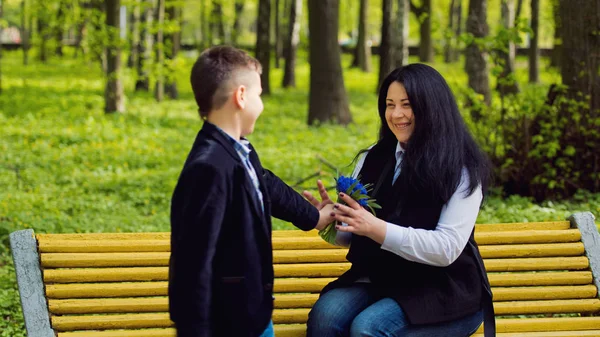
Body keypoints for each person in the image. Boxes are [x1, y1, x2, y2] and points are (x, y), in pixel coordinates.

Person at [304, 64, 495, 337]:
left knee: (368, 328)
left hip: (443, 290)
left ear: (432, 107)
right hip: (383, 278)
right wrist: (329, 221)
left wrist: (375, 228)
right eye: (390, 104)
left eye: (407, 104)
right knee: (326, 319)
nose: (396, 114)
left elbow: (446, 249)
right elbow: (354, 236)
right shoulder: (373, 157)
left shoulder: (461, 167)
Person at [169, 46, 333, 337]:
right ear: (241, 96)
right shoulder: (208, 168)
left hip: (252, 313)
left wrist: (313, 217)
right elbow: (191, 268)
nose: (262, 104)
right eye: (259, 94)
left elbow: (265, 184)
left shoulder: (238, 150)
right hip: (227, 323)